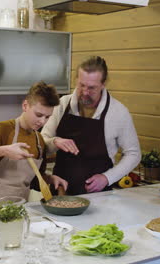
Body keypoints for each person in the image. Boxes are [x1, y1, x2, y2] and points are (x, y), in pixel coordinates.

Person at [41, 56, 141, 195]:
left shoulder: (118, 112)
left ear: (103, 83)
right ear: (76, 79)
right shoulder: (62, 104)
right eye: (81, 85)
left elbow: (134, 154)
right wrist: (55, 141)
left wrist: (107, 178)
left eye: (91, 88)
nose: (85, 92)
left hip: (99, 195)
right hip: (60, 192)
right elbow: (41, 143)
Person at [0, 81, 68, 209]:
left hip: (18, 208)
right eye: (38, 115)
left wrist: (50, 179)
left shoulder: (39, 140)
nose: (42, 122)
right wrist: (3, 151)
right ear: (25, 105)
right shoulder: (4, 129)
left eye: (47, 117)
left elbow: (33, 181)